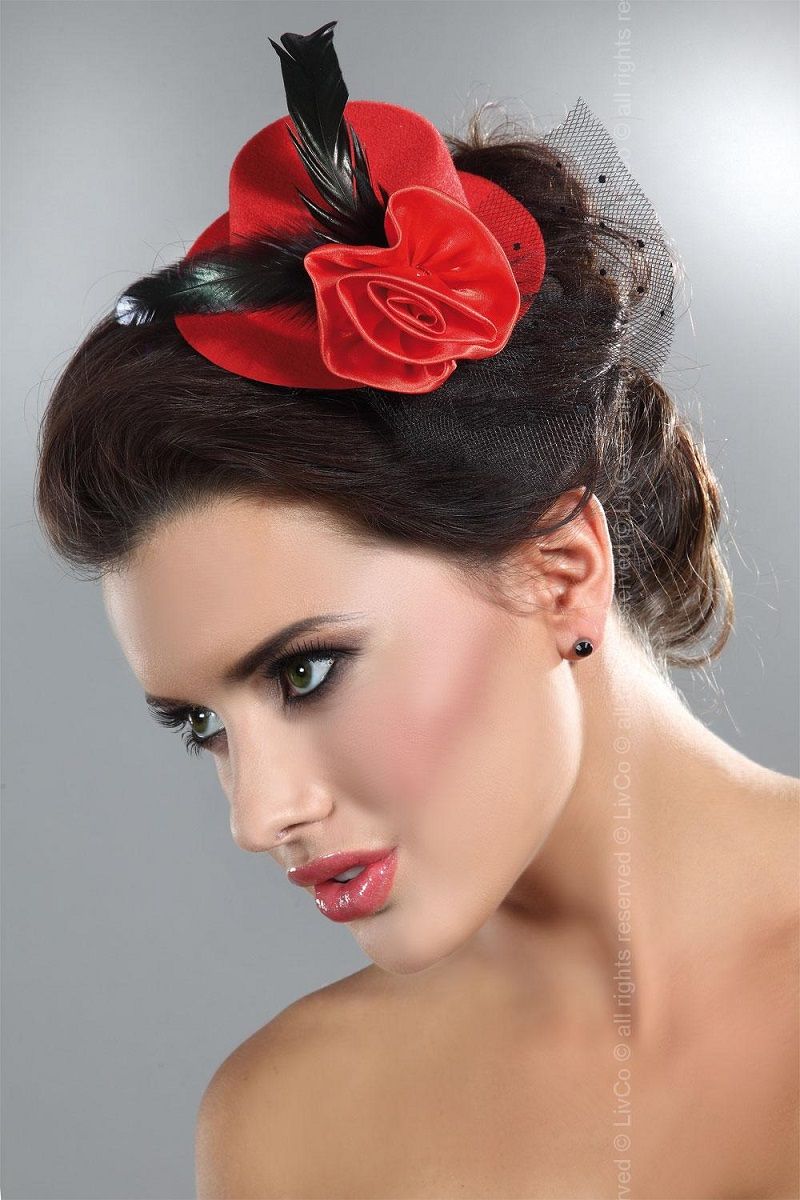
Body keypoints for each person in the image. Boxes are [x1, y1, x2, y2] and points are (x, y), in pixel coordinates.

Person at [34, 19, 798, 1200]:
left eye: (303, 673)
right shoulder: (291, 1127)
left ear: (558, 571)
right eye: (204, 725)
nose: (260, 816)